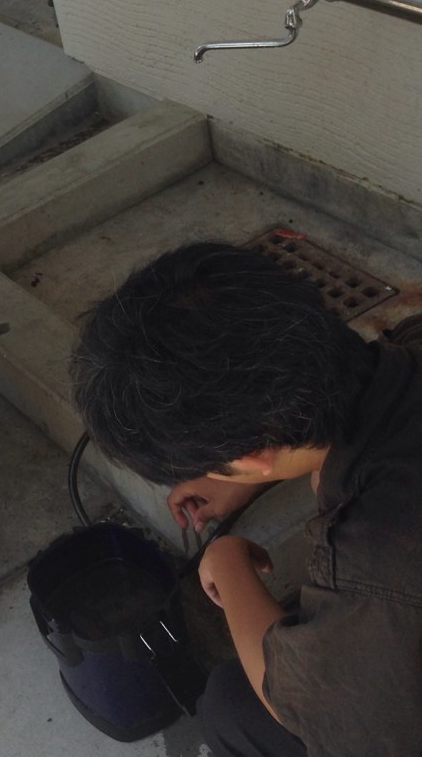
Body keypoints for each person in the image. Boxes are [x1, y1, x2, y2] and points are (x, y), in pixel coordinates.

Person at [70, 241, 422, 756]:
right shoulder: (410, 340)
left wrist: (227, 564)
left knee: (233, 707)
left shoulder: (374, 565)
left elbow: (304, 704)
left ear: (253, 453)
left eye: (205, 461)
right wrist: (245, 473)